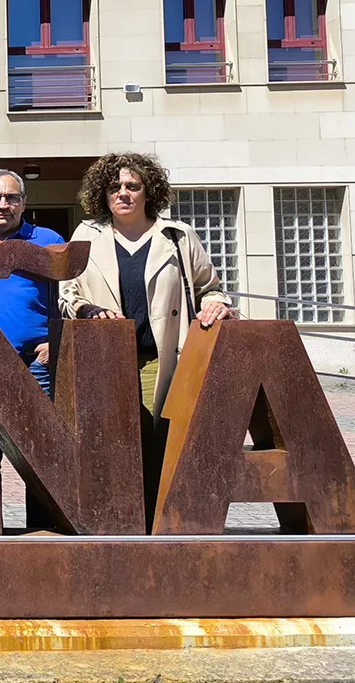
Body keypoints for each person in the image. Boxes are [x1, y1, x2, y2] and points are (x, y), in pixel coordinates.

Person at [60, 152, 234, 529]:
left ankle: (157, 528)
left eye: (132, 186)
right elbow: (67, 293)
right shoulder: (86, 235)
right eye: (114, 187)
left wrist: (216, 304)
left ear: (148, 191)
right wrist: (87, 309)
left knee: (159, 443)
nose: (123, 193)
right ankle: (118, 527)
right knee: (113, 448)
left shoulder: (177, 236)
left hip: (161, 359)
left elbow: (210, 288)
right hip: (107, 360)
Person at [0, 167, 66, 529]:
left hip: (36, 363)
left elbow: (67, 296)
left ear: (23, 202)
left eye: (11, 197)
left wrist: (54, 340)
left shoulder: (48, 240)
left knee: (41, 452)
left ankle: (45, 528)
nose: (3, 204)